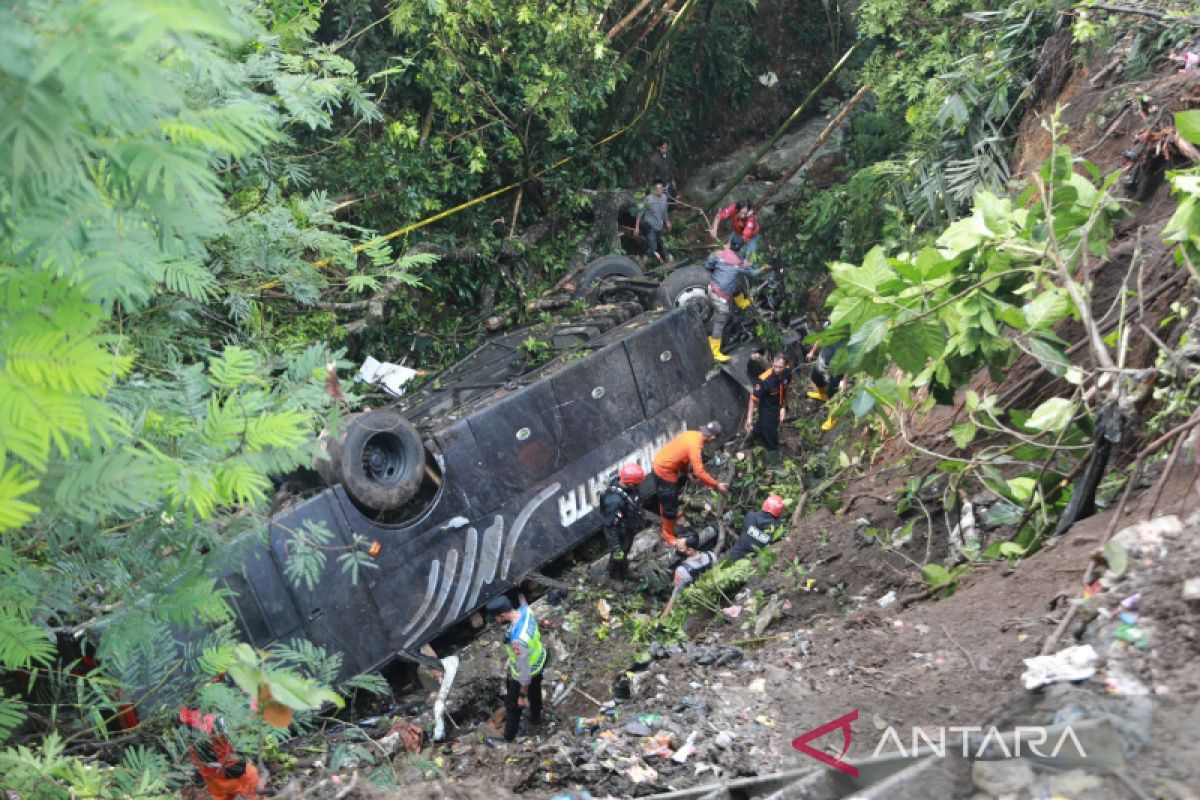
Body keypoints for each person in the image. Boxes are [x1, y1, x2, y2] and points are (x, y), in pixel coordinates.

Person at [652, 422, 729, 547]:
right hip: (665, 471)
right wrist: (717, 484)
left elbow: (681, 455)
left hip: (660, 463)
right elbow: (699, 472)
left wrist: (686, 472)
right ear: (713, 438)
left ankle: (666, 519)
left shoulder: (691, 434)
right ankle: (667, 534)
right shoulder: (695, 446)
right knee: (670, 504)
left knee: (665, 499)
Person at [485, 595, 546, 743]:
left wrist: (522, 696)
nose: (495, 621)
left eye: (495, 618)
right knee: (535, 690)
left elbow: (525, 673)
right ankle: (536, 717)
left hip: (525, 673)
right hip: (539, 660)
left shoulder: (518, 641)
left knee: (513, 707)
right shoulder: (526, 611)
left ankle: (507, 739)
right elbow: (524, 602)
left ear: (503, 615)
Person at [703, 240, 767, 363]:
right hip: (720, 297)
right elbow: (753, 273)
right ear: (741, 249)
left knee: (736, 282)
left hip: (711, 288)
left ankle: (742, 303)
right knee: (720, 321)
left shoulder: (719, 254)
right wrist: (763, 268)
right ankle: (714, 352)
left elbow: (708, 265)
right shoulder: (739, 263)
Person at [179, 708, 260, 800]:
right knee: (253, 788)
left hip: (212, 776)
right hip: (230, 769)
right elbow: (235, 729)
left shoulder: (183, 729)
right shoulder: (212, 720)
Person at [600, 462, 646, 582]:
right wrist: (615, 546)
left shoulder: (631, 489)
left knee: (625, 551)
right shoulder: (613, 501)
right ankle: (614, 577)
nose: (638, 485)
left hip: (629, 528)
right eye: (636, 483)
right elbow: (610, 526)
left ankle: (624, 571)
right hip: (618, 532)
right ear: (629, 482)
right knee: (618, 555)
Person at [744, 353, 792, 458]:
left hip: (778, 405)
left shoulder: (787, 373)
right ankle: (774, 464)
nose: (777, 369)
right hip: (767, 410)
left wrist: (784, 407)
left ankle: (751, 436)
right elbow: (753, 399)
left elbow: (785, 389)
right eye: (775, 366)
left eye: (780, 367)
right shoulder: (764, 380)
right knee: (771, 435)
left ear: (785, 366)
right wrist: (749, 418)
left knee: (763, 426)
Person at [662, 531, 717, 617]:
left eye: (680, 548)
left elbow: (676, 595)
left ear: (690, 550)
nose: (677, 550)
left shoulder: (682, 571)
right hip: (714, 594)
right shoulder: (711, 555)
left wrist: (664, 615)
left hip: (696, 604)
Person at [728, 495, 786, 562]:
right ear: (780, 511)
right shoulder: (777, 530)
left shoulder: (750, 516)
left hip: (733, 557)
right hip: (753, 565)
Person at [634, 180, 672, 263]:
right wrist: (636, 227)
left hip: (659, 226)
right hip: (649, 225)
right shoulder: (648, 199)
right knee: (653, 247)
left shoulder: (665, 198)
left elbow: (665, 212)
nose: (659, 190)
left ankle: (641, 258)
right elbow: (640, 213)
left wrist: (667, 222)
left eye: (660, 188)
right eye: (657, 188)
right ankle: (642, 265)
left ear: (663, 189)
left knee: (657, 244)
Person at [646, 137, 676, 204]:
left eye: (666, 147)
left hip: (668, 183)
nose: (665, 150)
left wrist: (673, 180)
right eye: (663, 148)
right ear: (658, 147)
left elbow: (671, 168)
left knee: (672, 200)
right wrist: (652, 189)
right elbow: (650, 176)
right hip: (659, 185)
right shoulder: (654, 160)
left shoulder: (669, 155)